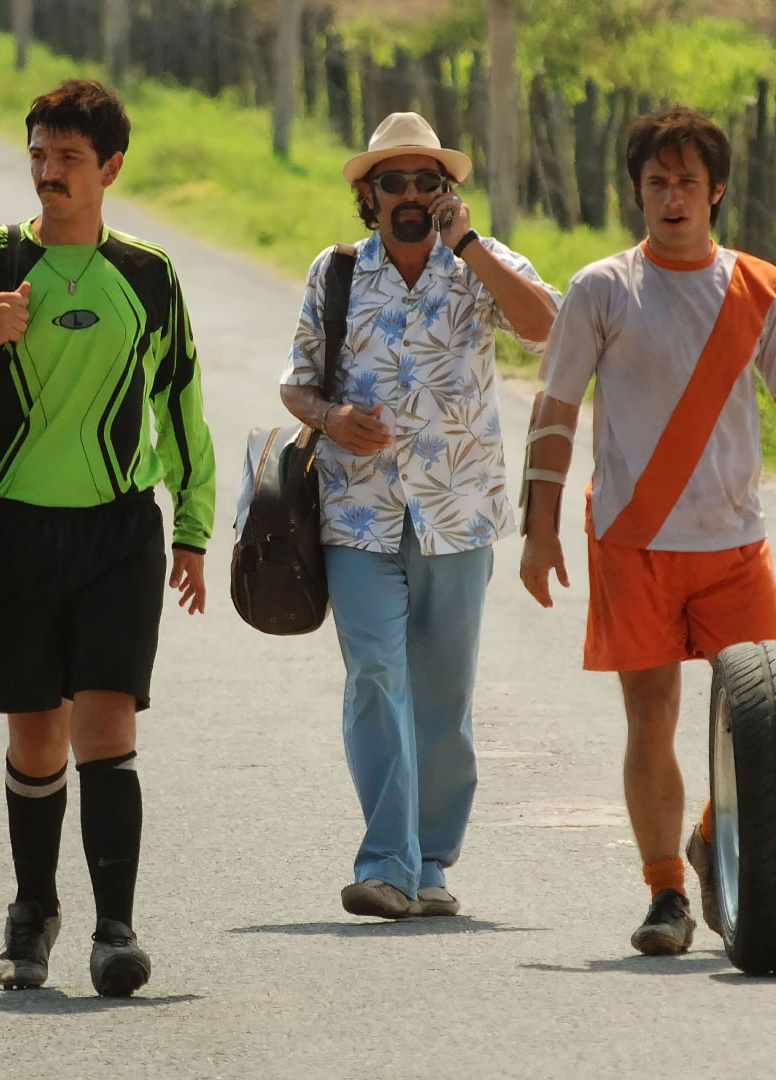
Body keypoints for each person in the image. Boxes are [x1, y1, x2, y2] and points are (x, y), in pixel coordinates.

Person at [517, 106, 776, 955]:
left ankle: (712, 836)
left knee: (762, 724)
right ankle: (667, 892)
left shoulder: (759, 286)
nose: (672, 198)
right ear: (637, 191)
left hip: (734, 544)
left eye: (687, 183)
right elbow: (555, 409)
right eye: (656, 183)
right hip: (633, 540)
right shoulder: (603, 287)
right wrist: (539, 526)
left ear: (718, 192)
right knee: (652, 715)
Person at [0, 80, 215, 996]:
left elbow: (181, 398)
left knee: (107, 726)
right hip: (17, 533)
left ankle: (116, 930)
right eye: (39, 154)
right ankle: (32, 913)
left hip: (120, 532)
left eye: (69, 158)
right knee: (37, 739)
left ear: (111, 167)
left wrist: (192, 527)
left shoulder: (148, 273)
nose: (49, 173)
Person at [278, 113, 560, 920]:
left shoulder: (481, 266)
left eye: (425, 181)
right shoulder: (334, 273)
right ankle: (387, 863)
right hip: (356, 513)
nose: (409, 195)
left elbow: (547, 328)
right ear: (368, 194)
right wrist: (330, 419)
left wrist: (470, 246)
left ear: (447, 193)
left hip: (456, 510)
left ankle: (431, 859)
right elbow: (295, 381)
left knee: (441, 694)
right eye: (393, 182)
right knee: (374, 674)